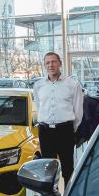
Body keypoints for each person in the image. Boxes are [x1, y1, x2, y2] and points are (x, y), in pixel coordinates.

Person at [33, 52, 84, 184]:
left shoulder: (72, 84)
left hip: (65, 130)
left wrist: (71, 129)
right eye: (48, 62)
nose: (51, 65)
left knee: (68, 168)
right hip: (45, 132)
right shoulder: (38, 85)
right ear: (45, 65)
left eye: (54, 62)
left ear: (60, 63)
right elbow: (40, 107)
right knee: (48, 169)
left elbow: (78, 111)